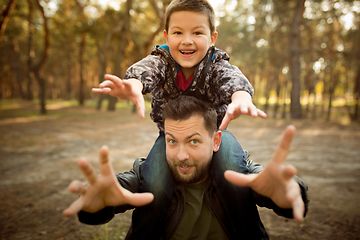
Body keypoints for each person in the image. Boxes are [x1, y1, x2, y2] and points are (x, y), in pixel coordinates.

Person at [92, 0, 268, 235]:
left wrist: (241, 98)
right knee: (154, 183)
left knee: (232, 174)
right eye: (178, 32)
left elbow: (233, 79)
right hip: (171, 137)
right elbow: (147, 69)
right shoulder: (162, 61)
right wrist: (133, 84)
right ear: (166, 36)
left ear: (212, 38)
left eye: (197, 32)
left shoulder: (215, 64)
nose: (187, 40)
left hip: (215, 134)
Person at [63, 95, 309, 240]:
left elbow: (269, 185)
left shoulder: (239, 175)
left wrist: (290, 193)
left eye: (193, 141)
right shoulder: (148, 174)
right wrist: (96, 206)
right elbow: (118, 189)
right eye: (172, 141)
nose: (181, 155)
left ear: (215, 141)